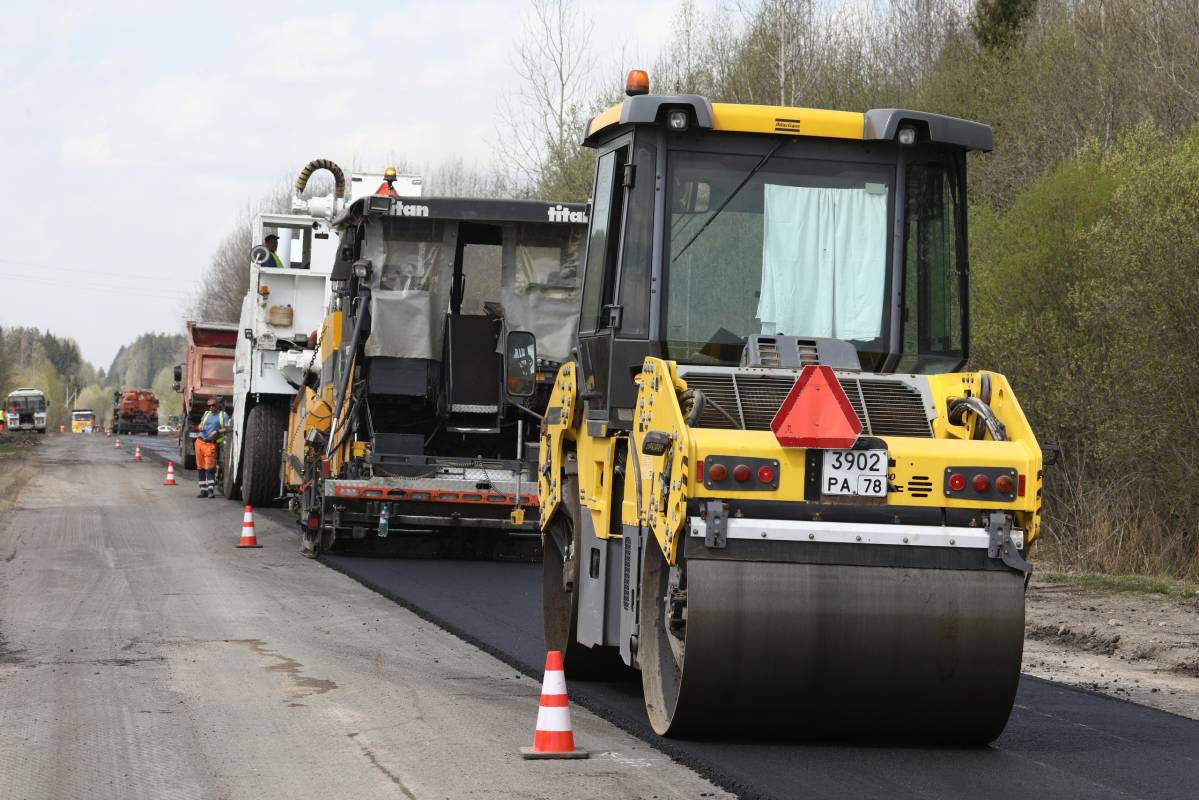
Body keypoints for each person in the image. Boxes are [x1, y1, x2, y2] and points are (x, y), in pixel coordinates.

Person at [195, 397, 228, 498]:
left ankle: (210, 490)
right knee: (200, 467)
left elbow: (228, 428)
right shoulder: (206, 414)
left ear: (218, 405)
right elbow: (201, 424)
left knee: (210, 468)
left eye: (213, 405)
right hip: (200, 442)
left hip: (211, 444)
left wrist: (217, 432)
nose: (211, 407)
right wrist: (200, 426)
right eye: (209, 405)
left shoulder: (223, 415)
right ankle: (203, 490)